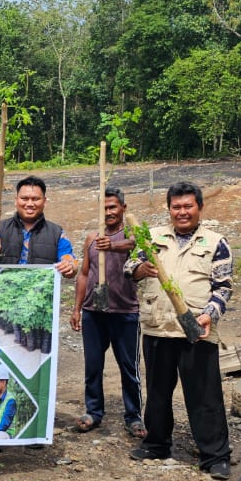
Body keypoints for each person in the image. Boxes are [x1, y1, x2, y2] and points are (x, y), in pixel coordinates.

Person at [125, 182, 234, 480]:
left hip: (195, 328)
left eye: (188, 206)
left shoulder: (215, 242)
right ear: (169, 208)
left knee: (204, 394)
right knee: (158, 392)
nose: (182, 212)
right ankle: (157, 444)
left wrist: (210, 315)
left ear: (199, 207)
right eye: (177, 207)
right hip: (158, 326)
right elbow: (129, 267)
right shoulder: (152, 237)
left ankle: (215, 456)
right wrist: (139, 270)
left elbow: (223, 288)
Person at [69, 187, 144, 438]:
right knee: (93, 365)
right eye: (104, 208)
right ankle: (94, 411)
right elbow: (83, 274)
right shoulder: (92, 238)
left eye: (113, 207)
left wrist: (112, 245)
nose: (108, 212)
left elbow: (137, 245)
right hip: (93, 312)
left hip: (124, 311)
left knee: (128, 367)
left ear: (123, 207)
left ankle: (134, 416)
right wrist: (77, 308)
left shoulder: (132, 234)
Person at [0, 175, 76, 279]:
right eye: (24, 198)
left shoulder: (57, 233)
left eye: (35, 199)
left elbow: (70, 260)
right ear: (16, 200)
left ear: (44, 201)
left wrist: (69, 266)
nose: (30, 204)